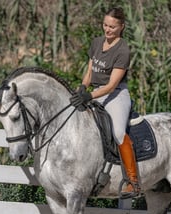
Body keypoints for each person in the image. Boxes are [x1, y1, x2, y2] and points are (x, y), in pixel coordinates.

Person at [69, 7, 140, 199]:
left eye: (112, 27)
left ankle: (133, 181)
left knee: (117, 132)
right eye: (105, 25)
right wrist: (82, 88)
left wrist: (89, 96)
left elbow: (111, 85)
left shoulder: (123, 49)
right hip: (93, 92)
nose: (107, 30)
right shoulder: (97, 43)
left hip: (116, 94)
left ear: (121, 27)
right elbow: (90, 72)